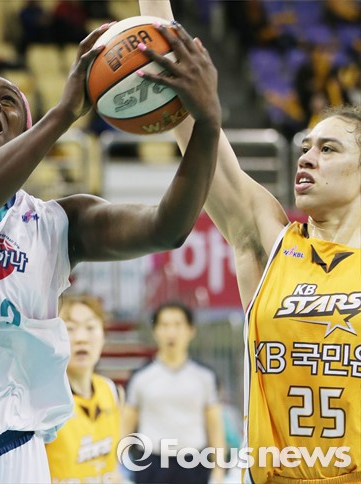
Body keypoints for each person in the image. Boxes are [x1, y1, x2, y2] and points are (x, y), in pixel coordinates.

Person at [0, 15, 222, 483]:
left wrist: (208, 124)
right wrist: (64, 113)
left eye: (8, 100)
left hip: (16, 453)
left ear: (23, 136)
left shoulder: (59, 223)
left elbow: (166, 229)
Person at [139, 2, 361, 482]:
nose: (307, 158)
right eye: (305, 147)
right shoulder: (272, 244)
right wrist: (153, 12)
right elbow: (197, 132)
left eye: (328, 149)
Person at [123, 302, 225, 484]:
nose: (171, 333)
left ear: (191, 331)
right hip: (151, 464)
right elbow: (125, 425)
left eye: (178, 325)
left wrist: (219, 470)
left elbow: (215, 426)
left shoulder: (205, 376)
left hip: (194, 463)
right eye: (164, 325)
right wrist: (116, 466)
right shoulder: (140, 377)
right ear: (155, 331)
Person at [45, 294, 124, 483]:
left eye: (90, 327)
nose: (81, 338)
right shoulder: (43, 399)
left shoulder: (111, 390)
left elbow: (113, 466)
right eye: (70, 328)